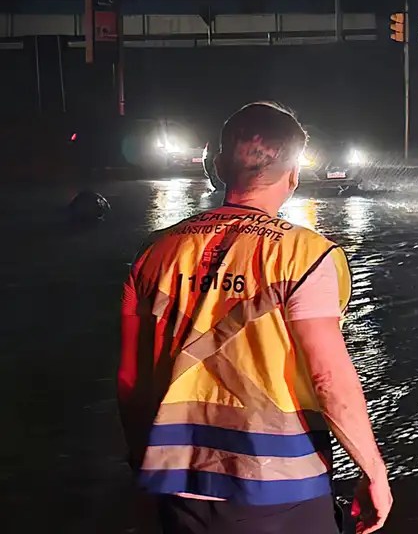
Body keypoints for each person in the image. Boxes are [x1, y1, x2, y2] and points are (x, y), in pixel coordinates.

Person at [117, 102, 392, 533]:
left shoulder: (153, 252)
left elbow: (130, 379)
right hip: (281, 483)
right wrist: (373, 470)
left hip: (178, 480)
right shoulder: (307, 255)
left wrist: (142, 459)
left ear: (218, 166)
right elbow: (329, 378)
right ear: (294, 174)